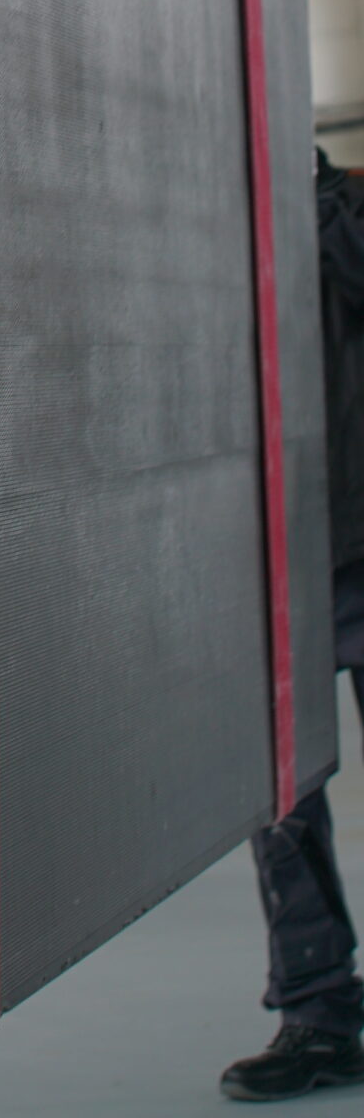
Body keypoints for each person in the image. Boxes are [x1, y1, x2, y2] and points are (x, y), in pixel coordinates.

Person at [222, 150, 364, 1102]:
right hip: (268, 563)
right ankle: (318, 1012)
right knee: (278, 795)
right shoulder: (197, 233)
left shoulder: (341, 215)